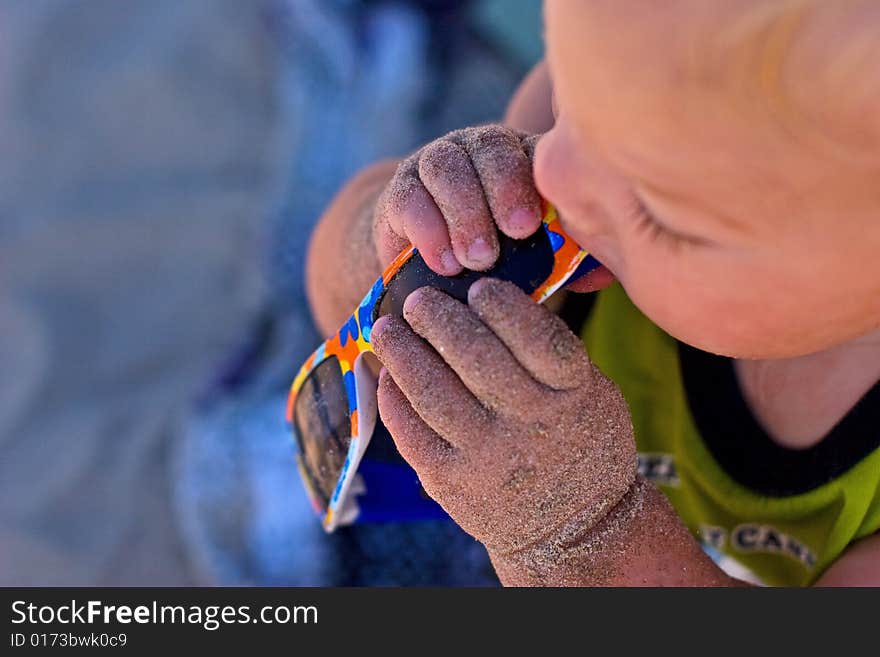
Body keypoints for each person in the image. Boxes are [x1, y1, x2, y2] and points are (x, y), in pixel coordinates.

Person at [304, 0, 880, 586]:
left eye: (655, 209)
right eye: (569, 102)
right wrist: (393, 236)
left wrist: (578, 534)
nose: (553, 170)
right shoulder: (587, 133)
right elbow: (334, 305)